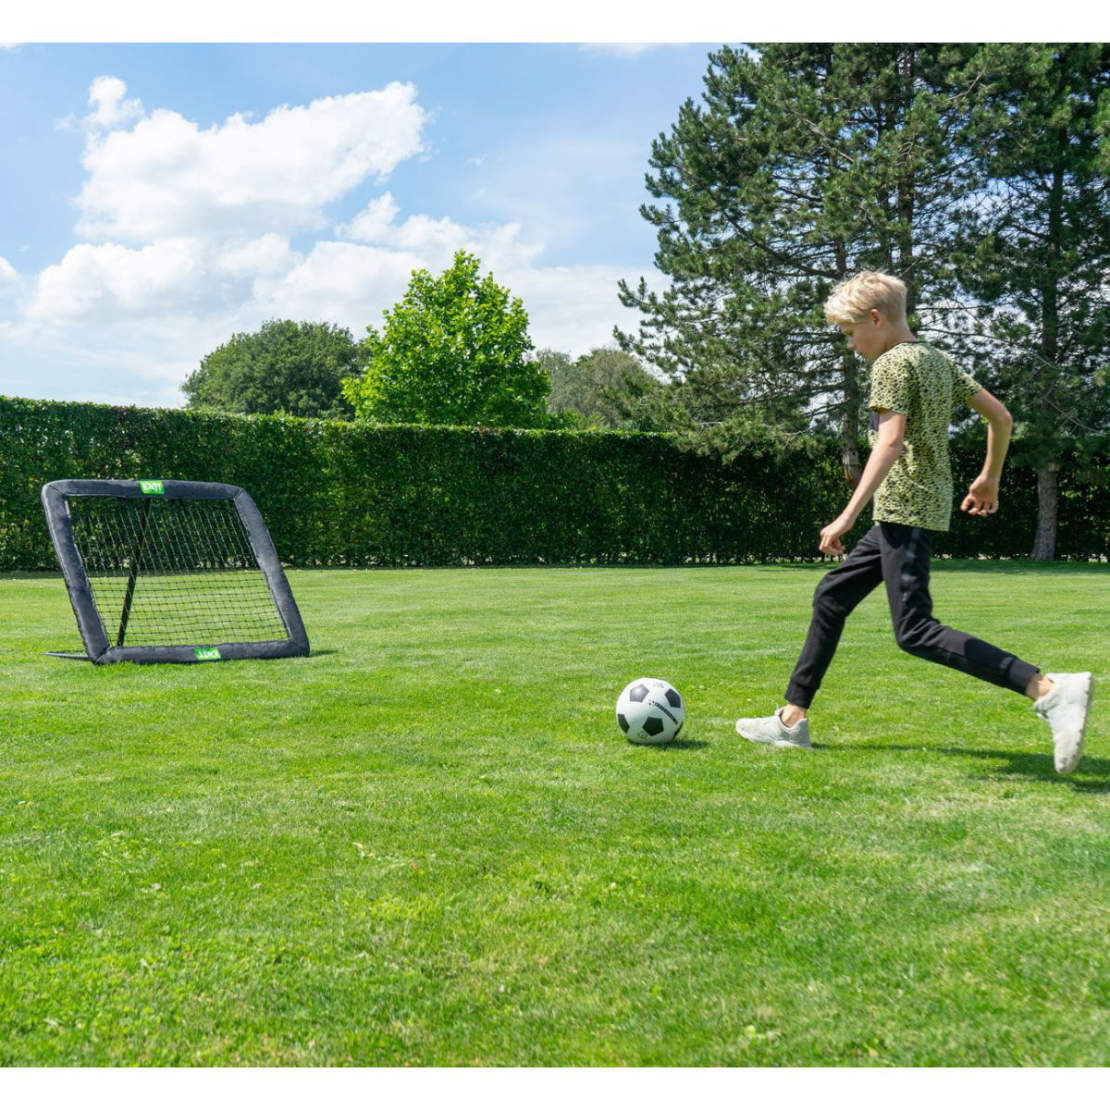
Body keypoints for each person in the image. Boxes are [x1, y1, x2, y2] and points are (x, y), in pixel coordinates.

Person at [735, 271, 1093, 774]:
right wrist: (988, 477)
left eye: (850, 332)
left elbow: (889, 443)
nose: (851, 344)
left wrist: (844, 516)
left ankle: (1049, 690)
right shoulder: (936, 360)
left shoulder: (890, 364)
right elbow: (1002, 418)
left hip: (904, 508)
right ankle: (792, 720)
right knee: (831, 596)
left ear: (876, 319)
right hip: (911, 509)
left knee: (915, 630)